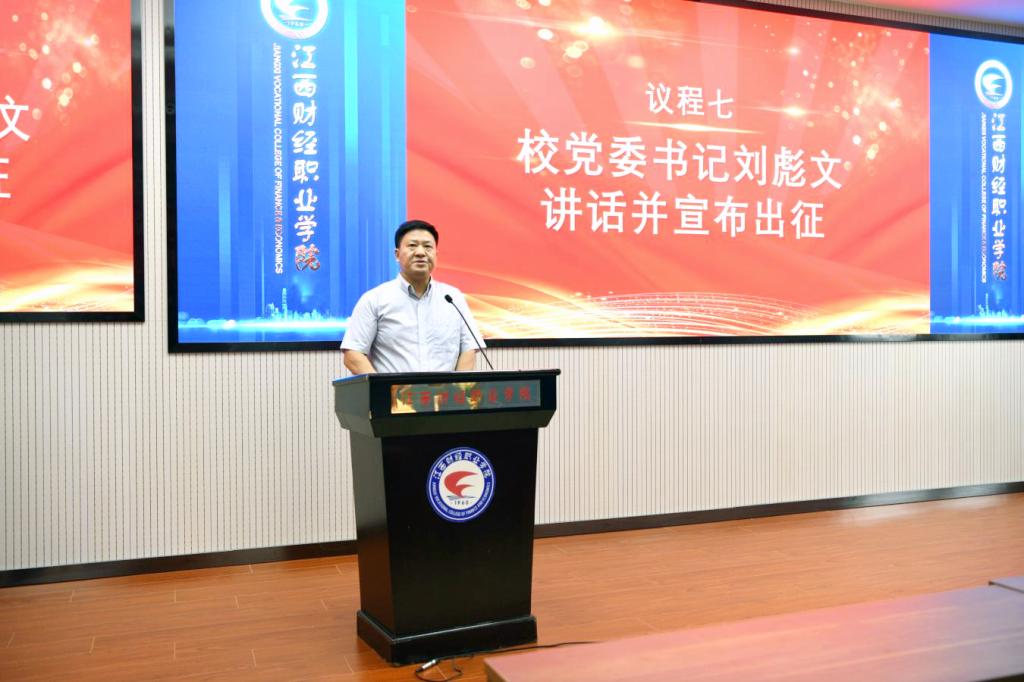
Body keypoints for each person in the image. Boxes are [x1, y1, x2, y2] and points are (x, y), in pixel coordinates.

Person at [341, 219, 485, 374]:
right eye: (412, 246)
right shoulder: (374, 299)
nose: (421, 253)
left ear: (436, 254)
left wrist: (458, 386)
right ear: (397, 254)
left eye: (428, 247)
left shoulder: (453, 298)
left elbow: (468, 349)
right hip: (392, 390)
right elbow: (353, 354)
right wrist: (380, 387)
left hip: (445, 390)